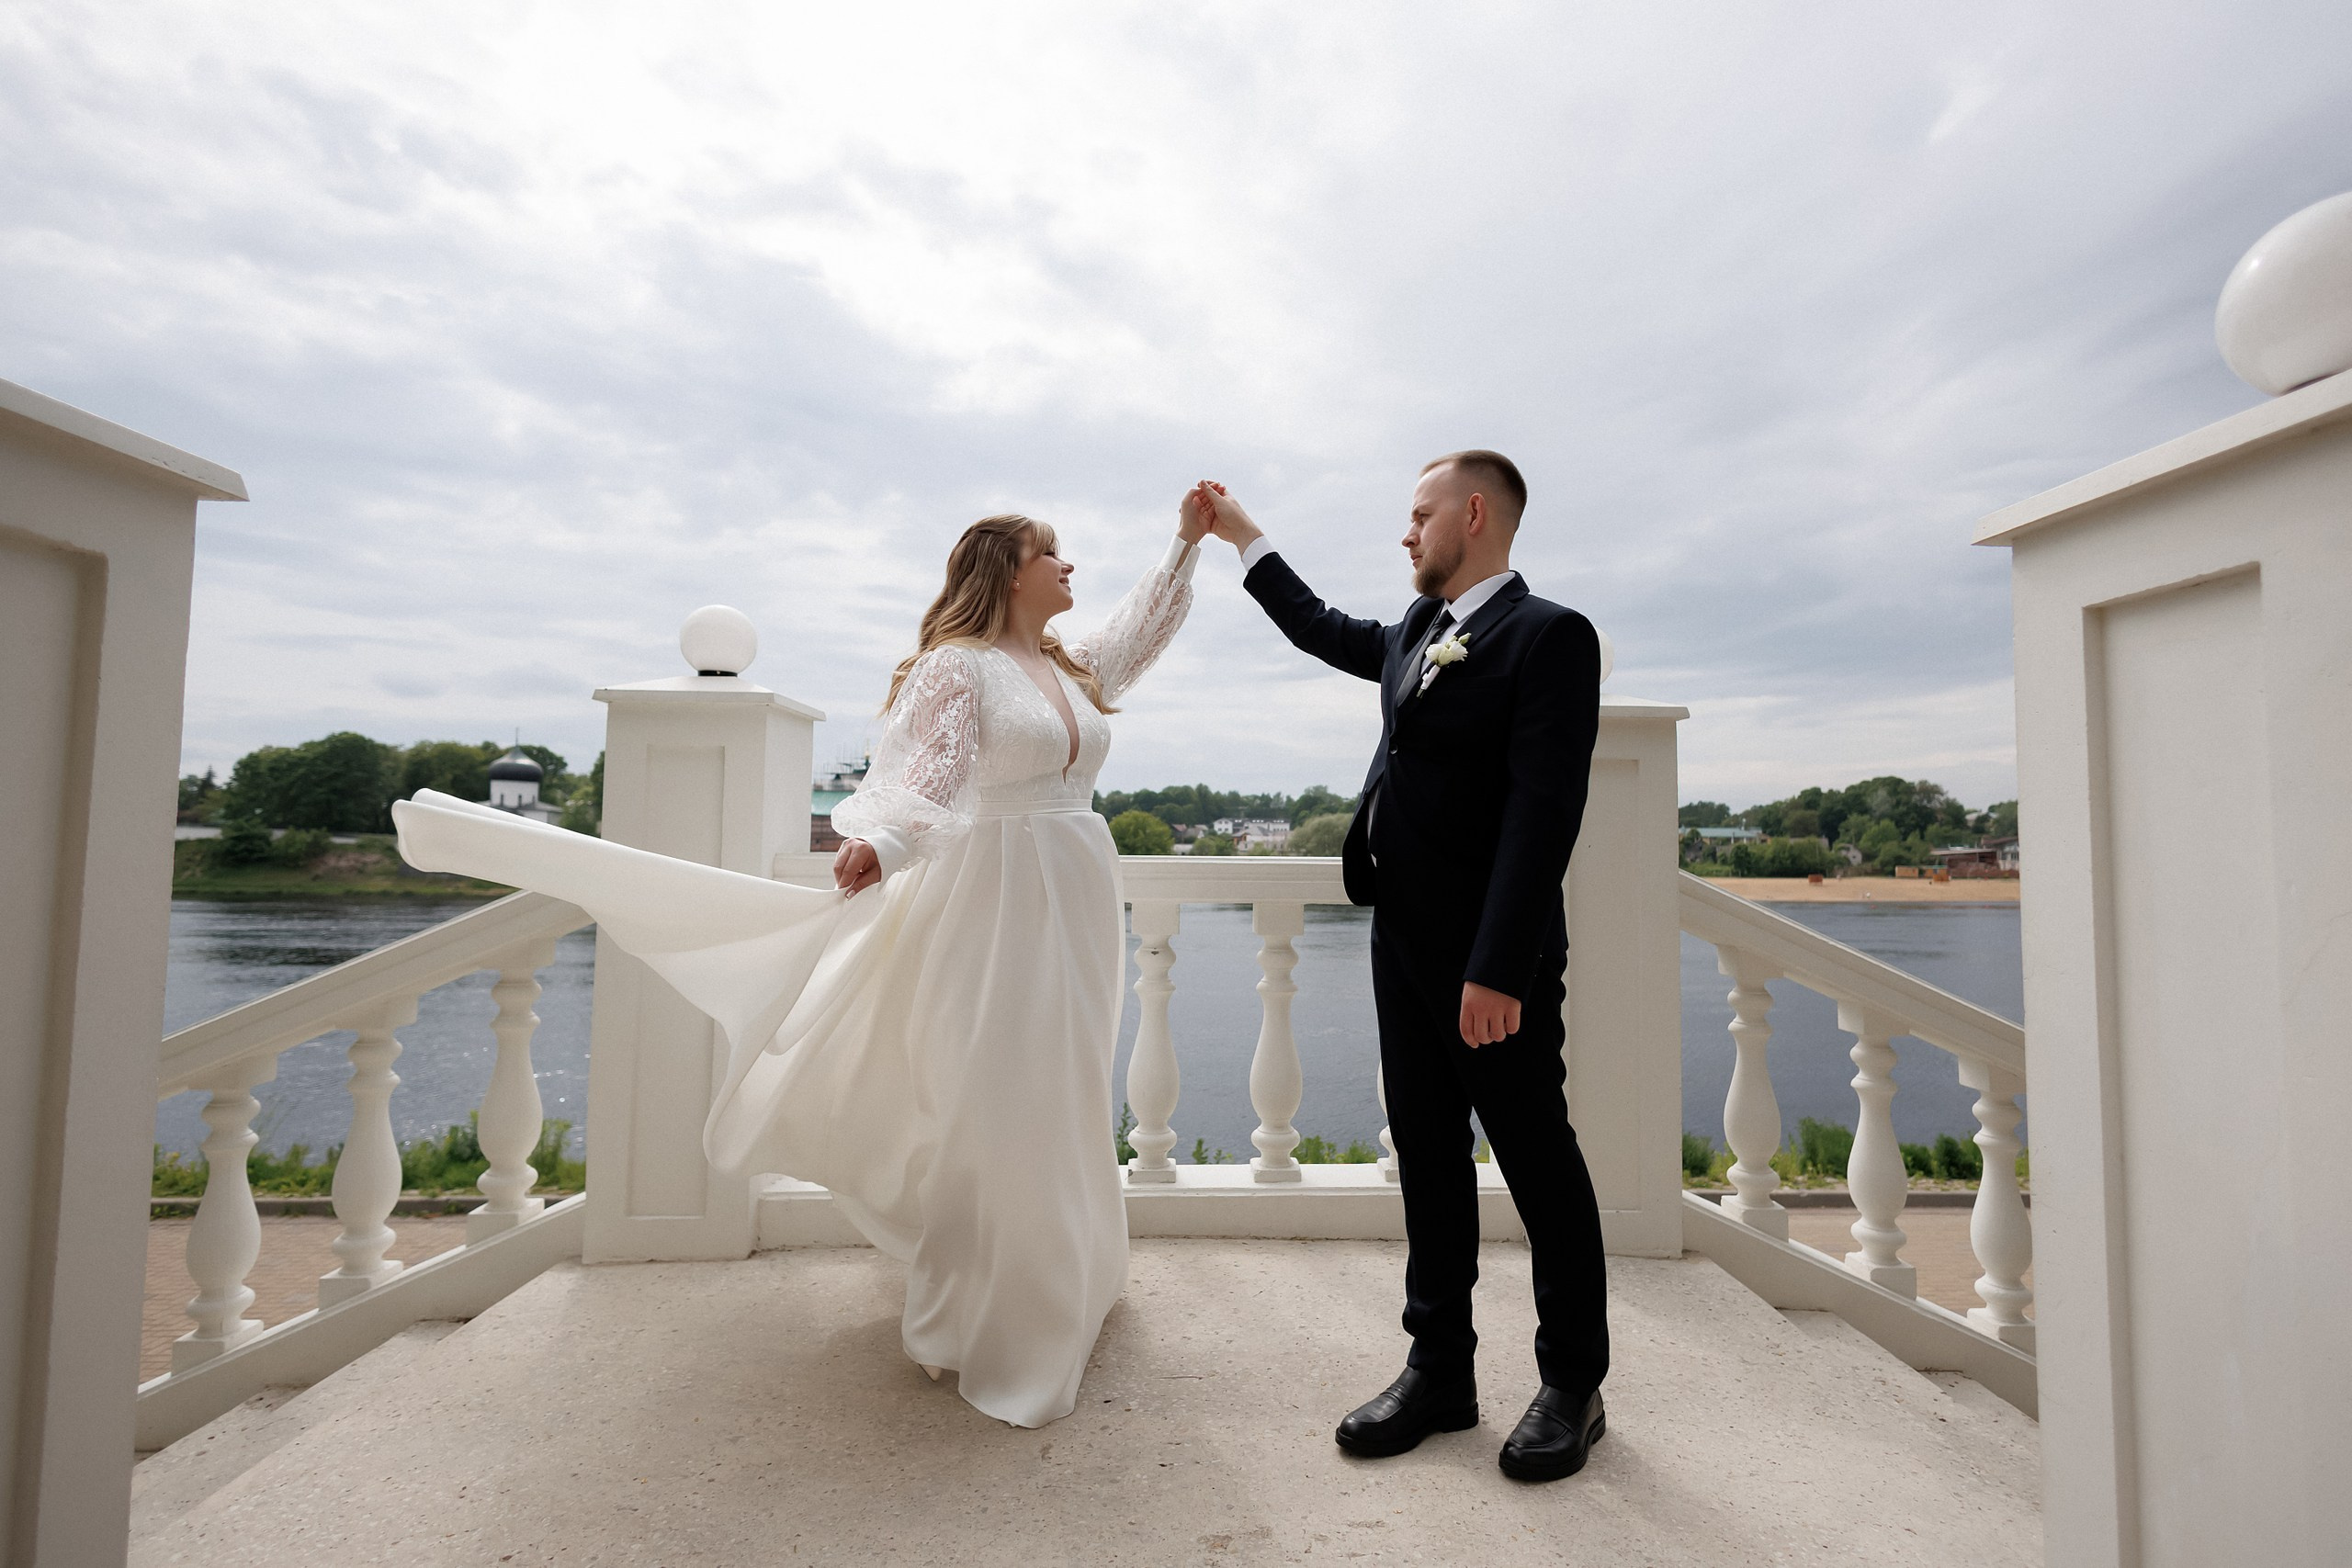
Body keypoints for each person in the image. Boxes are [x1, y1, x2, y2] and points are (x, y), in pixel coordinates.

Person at [394, 502, 1209, 1428]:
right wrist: (887, 846)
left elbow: (1143, 629)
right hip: (996, 897)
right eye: (1050, 554)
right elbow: (930, 775)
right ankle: (989, 1316)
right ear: (1005, 572)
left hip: (1075, 892)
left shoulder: (1067, 665)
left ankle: (1072, 1284)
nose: (1070, 568)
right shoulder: (958, 666)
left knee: (1063, 1087)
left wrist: (1188, 540)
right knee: (1000, 1096)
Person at [1192, 452, 1611, 1483]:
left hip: (1487, 959)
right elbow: (1321, 626)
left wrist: (1499, 967)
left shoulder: (1549, 636)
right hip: (1400, 942)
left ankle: (1571, 1385)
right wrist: (1244, 536)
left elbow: (1542, 812)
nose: (1406, 532)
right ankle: (1441, 1373)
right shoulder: (1420, 633)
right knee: (1424, 1156)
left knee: (1535, 1158)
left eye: (1419, 514)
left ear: (1475, 514)